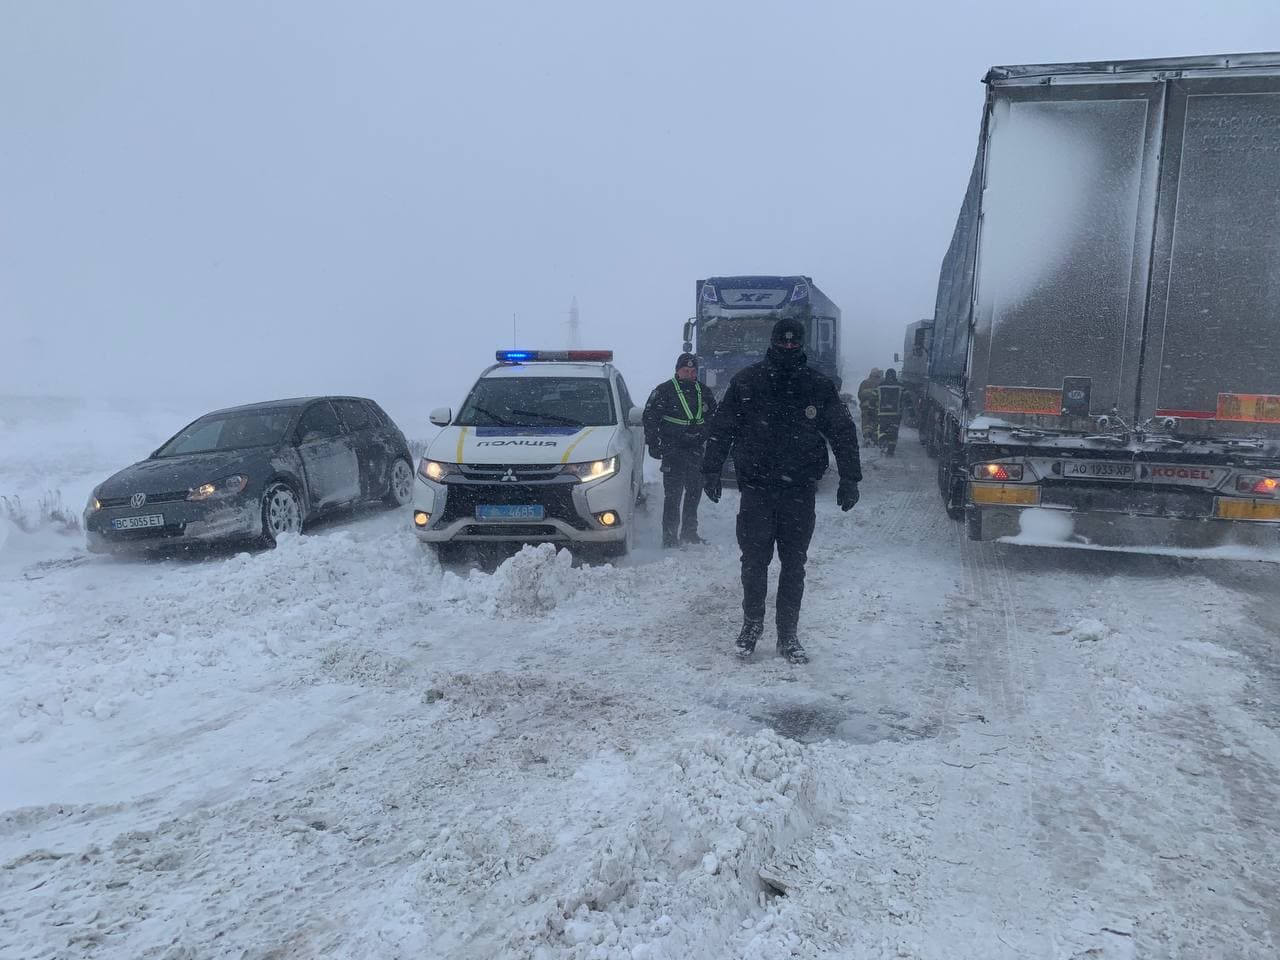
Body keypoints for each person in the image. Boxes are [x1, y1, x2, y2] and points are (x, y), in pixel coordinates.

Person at [702, 318, 862, 663]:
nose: (788, 347)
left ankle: (788, 636)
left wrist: (851, 478)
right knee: (754, 563)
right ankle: (751, 626)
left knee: (794, 565)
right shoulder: (747, 381)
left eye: (794, 342)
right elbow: (722, 428)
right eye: (783, 341)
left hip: (799, 491)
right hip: (757, 490)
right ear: (773, 342)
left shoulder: (817, 385)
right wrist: (710, 469)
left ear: (801, 344)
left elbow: (842, 432)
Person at [643, 353, 718, 547]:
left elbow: (714, 418)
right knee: (673, 496)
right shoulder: (664, 391)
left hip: (696, 450)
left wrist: (706, 437)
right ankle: (669, 538)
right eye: (686, 371)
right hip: (673, 450)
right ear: (677, 371)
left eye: (693, 371)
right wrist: (653, 443)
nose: (690, 374)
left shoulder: (704, 392)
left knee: (694, 492)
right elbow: (650, 417)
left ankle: (689, 533)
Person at [876, 368, 903, 455]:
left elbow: (873, 398)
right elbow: (907, 399)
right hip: (896, 415)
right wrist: (912, 413)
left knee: (882, 430)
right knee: (894, 432)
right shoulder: (901, 386)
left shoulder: (880, 386)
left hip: (882, 414)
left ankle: (883, 443)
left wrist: (871, 409)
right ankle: (891, 450)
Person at [857, 367, 882, 438]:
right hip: (877, 407)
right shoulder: (881, 383)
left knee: (866, 423)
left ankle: (867, 437)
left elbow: (859, 395)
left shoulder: (864, 382)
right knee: (875, 422)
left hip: (865, 407)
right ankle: (874, 436)